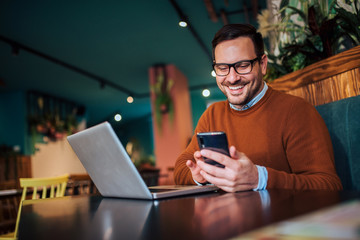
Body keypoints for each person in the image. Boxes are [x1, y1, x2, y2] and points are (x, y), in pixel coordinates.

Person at [174, 24, 342, 192]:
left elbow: (329, 186)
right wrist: (200, 176)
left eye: (242, 65)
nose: (232, 78)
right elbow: (181, 168)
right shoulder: (212, 114)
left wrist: (260, 178)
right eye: (223, 68)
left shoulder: (296, 111)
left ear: (262, 64)